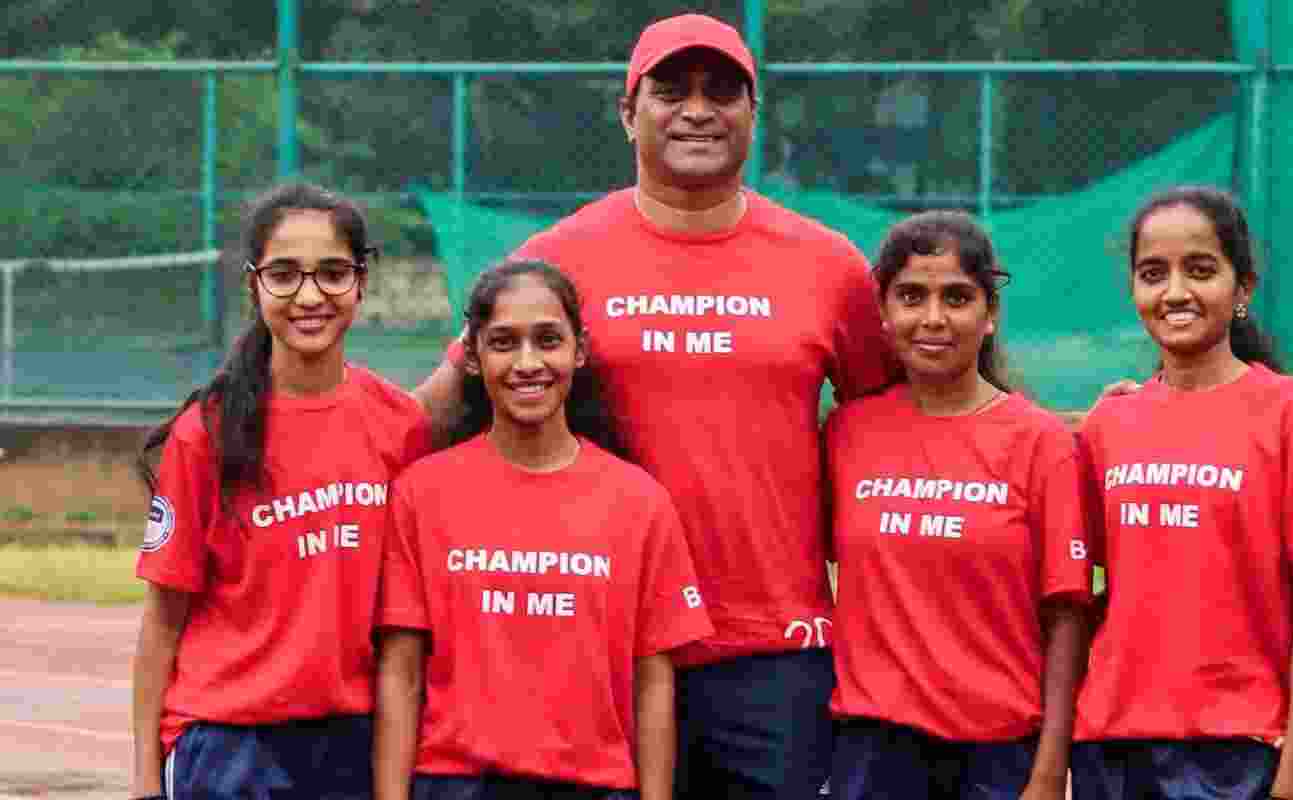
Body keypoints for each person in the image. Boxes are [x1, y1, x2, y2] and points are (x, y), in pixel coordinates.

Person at [412, 13, 896, 799]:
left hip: (776, 652)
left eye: (723, 91)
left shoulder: (829, 266)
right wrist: (285, 421)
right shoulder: (555, 260)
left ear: (754, 113)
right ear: (627, 112)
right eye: (672, 89)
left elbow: (907, 426)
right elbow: (435, 410)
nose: (698, 109)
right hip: (597, 648)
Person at [130, 182, 433, 800]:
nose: (310, 295)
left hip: (352, 741)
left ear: (362, 281)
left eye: (331, 273)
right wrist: (142, 778)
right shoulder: (207, 433)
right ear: (254, 285)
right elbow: (163, 621)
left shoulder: (401, 426)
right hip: (227, 744)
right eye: (285, 274)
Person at [374, 260, 713, 800]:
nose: (527, 362)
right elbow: (401, 673)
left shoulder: (638, 501)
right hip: (456, 785)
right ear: (474, 356)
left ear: (578, 351)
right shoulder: (422, 494)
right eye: (504, 342)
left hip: (596, 786)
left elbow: (652, 683)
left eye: (548, 340)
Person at [1070, 186, 1293, 800]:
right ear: (1134, 290)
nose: (1175, 292)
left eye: (1200, 270)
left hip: (1234, 744)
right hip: (1109, 743)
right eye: (1154, 273)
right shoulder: (1108, 424)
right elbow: (1082, 593)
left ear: (1243, 289)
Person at [822, 211, 1093, 800]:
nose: (933, 318)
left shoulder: (1041, 442)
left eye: (957, 297)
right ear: (884, 312)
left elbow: (1067, 618)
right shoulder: (847, 433)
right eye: (912, 296)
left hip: (997, 753)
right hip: (873, 749)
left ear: (990, 313)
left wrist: (1049, 771)